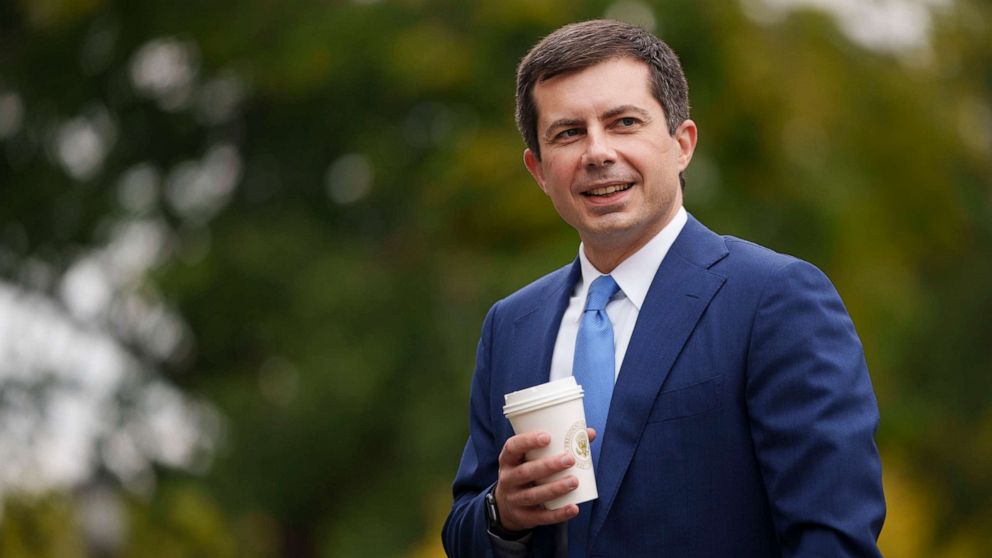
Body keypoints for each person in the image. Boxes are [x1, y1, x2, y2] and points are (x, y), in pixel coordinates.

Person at [442, 19, 885, 558]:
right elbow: (464, 527)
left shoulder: (775, 299)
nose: (597, 152)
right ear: (538, 169)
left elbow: (831, 536)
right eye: (568, 133)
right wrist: (501, 514)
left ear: (682, 145)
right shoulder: (512, 324)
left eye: (624, 122)